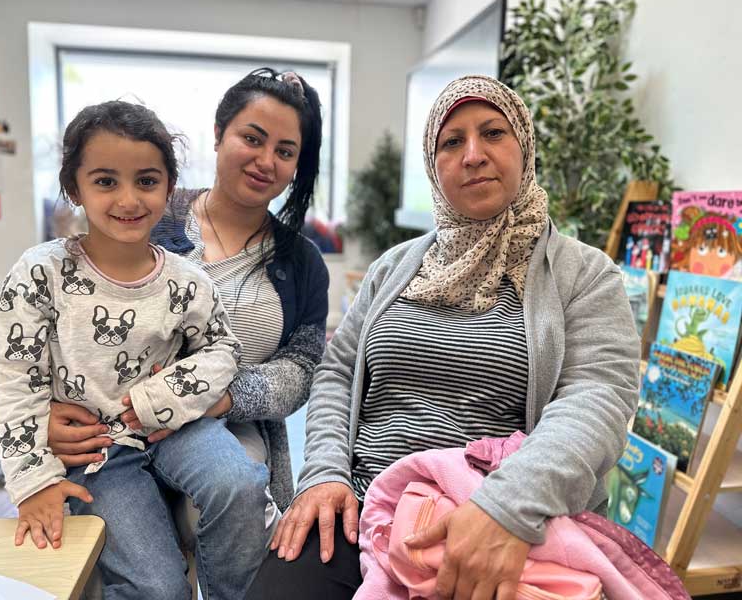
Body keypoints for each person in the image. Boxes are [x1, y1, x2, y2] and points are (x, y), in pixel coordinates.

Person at [250, 75, 640, 600]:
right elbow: (337, 372)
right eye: (451, 142)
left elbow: (597, 399)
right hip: (360, 504)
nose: (473, 155)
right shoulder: (394, 268)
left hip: (505, 513)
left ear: (524, 147)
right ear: (434, 167)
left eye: (493, 134)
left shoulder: (584, 275)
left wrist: (505, 509)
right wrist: (323, 473)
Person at [44, 68, 329, 586]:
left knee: (233, 500)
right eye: (252, 138)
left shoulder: (302, 261)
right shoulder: (146, 208)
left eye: (286, 151)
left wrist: (220, 397)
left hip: (224, 427)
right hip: (112, 423)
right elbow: (64, 320)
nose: (266, 160)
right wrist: (50, 408)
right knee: (146, 573)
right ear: (219, 136)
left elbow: (304, 367)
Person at [0, 100, 271, 600]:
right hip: (98, 451)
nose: (128, 198)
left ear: (168, 186)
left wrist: (164, 395)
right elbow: (12, 381)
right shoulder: (40, 274)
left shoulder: (189, 279)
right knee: (159, 589)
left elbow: (223, 350)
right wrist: (33, 482)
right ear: (74, 188)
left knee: (240, 484)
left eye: (146, 180)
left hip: (176, 426)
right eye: (104, 181)